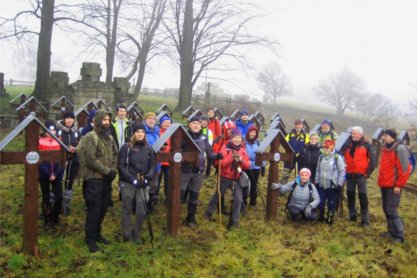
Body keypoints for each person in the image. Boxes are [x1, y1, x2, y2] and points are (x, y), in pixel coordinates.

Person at [80, 110, 118, 253]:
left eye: (108, 119)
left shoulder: (109, 137)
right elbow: (90, 159)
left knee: (103, 207)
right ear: (98, 121)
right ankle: (90, 239)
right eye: (104, 120)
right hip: (94, 179)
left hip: (106, 179)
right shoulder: (91, 137)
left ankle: (97, 234)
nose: (107, 122)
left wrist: (112, 170)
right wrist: (107, 171)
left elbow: (115, 154)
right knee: (94, 209)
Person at [205, 128, 250, 229]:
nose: (237, 140)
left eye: (239, 137)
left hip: (237, 179)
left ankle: (234, 222)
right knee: (217, 195)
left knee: (238, 199)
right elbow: (219, 163)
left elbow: (247, 165)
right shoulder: (225, 148)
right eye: (235, 137)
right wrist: (231, 158)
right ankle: (208, 213)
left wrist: (241, 161)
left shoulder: (243, 150)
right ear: (231, 138)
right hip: (225, 177)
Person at [118, 123, 156, 243]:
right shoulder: (127, 147)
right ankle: (127, 234)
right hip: (128, 181)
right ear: (133, 133)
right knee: (127, 207)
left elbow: (153, 165)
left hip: (143, 182)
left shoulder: (149, 148)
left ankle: (136, 232)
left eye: (142, 132)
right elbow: (121, 165)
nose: (140, 134)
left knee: (141, 209)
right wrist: (132, 179)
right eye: (138, 132)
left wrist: (147, 179)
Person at [180, 116, 218, 228]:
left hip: (199, 171)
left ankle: (190, 218)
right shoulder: (183, 136)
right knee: (179, 196)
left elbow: (209, 152)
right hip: (185, 171)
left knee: (194, 195)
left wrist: (217, 156)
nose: (196, 125)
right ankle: (174, 217)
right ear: (189, 125)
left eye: (198, 123)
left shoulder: (203, 137)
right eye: (193, 123)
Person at [377, 129, 412, 243]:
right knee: (386, 209)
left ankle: (399, 235)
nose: (383, 137)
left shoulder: (400, 149)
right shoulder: (386, 148)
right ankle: (391, 232)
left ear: (392, 136)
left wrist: (399, 185)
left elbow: (405, 169)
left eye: (385, 136)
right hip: (384, 184)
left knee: (391, 210)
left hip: (393, 185)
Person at [342, 126, 376, 226]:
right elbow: (342, 157)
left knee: (363, 197)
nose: (353, 135)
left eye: (355, 133)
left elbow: (373, 161)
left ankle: (365, 220)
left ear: (360, 135)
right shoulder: (347, 144)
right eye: (352, 133)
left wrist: (367, 173)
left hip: (361, 176)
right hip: (349, 175)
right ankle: (352, 216)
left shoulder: (366, 145)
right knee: (350, 196)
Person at [38, 120, 63, 228]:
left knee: (59, 197)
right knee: (46, 196)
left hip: (57, 174)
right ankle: (47, 218)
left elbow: (61, 160)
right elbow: (39, 160)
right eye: (49, 130)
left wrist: (56, 174)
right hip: (44, 174)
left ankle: (55, 216)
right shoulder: (39, 141)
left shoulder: (59, 141)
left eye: (53, 130)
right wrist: (48, 174)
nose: (51, 132)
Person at [315, 139, 345, 225]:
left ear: (332, 147)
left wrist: (339, 184)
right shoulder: (321, 157)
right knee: (320, 202)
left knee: (331, 203)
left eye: (327, 147)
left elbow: (342, 171)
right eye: (324, 147)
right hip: (321, 184)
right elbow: (317, 170)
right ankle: (320, 216)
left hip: (333, 186)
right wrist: (317, 181)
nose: (325, 149)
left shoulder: (337, 157)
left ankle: (329, 218)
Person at [57, 111, 80, 215]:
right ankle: (56, 203)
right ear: (64, 119)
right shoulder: (59, 130)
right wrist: (66, 148)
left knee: (69, 182)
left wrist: (76, 148)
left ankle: (66, 204)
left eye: (72, 118)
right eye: (67, 118)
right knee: (59, 180)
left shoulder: (76, 131)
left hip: (74, 160)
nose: (70, 120)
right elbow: (56, 143)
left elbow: (80, 142)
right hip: (61, 159)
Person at [280, 119, 310, 184]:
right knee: (286, 173)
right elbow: (284, 143)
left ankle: (299, 187)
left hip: (300, 158)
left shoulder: (305, 136)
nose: (298, 126)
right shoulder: (290, 134)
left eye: (299, 125)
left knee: (300, 173)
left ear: (302, 126)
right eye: (296, 125)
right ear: (294, 126)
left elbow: (307, 147)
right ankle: (282, 188)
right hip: (290, 157)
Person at [243, 125, 265, 207]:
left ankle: (253, 201)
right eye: (251, 132)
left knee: (254, 185)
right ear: (248, 132)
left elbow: (262, 155)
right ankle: (243, 200)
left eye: (255, 133)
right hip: (246, 166)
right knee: (244, 184)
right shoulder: (244, 142)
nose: (253, 134)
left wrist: (263, 166)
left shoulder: (259, 142)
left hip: (256, 166)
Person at [143, 112, 160, 212]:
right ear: (145, 120)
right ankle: (142, 204)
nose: (151, 120)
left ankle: (150, 204)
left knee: (154, 185)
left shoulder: (157, 132)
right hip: (145, 163)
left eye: (153, 119)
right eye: (149, 118)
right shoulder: (142, 131)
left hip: (156, 163)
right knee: (145, 183)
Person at [158, 115, 172, 205]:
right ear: (161, 124)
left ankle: (168, 197)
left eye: (168, 123)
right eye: (165, 122)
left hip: (169, 161)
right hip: (159, 161)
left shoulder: (172, 133)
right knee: (157, 180)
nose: (167, 124)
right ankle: (154, 196)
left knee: (168, 180)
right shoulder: (158, 132)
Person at [206, 108, 222, 176]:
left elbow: (218, 133)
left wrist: (215, 141)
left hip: (213, 142)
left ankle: (209, 172)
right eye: (209, 112)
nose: (210, 113)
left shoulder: (216, 121)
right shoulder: (204, 120)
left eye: (212, 112)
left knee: (211, 157)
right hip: (205, 140)